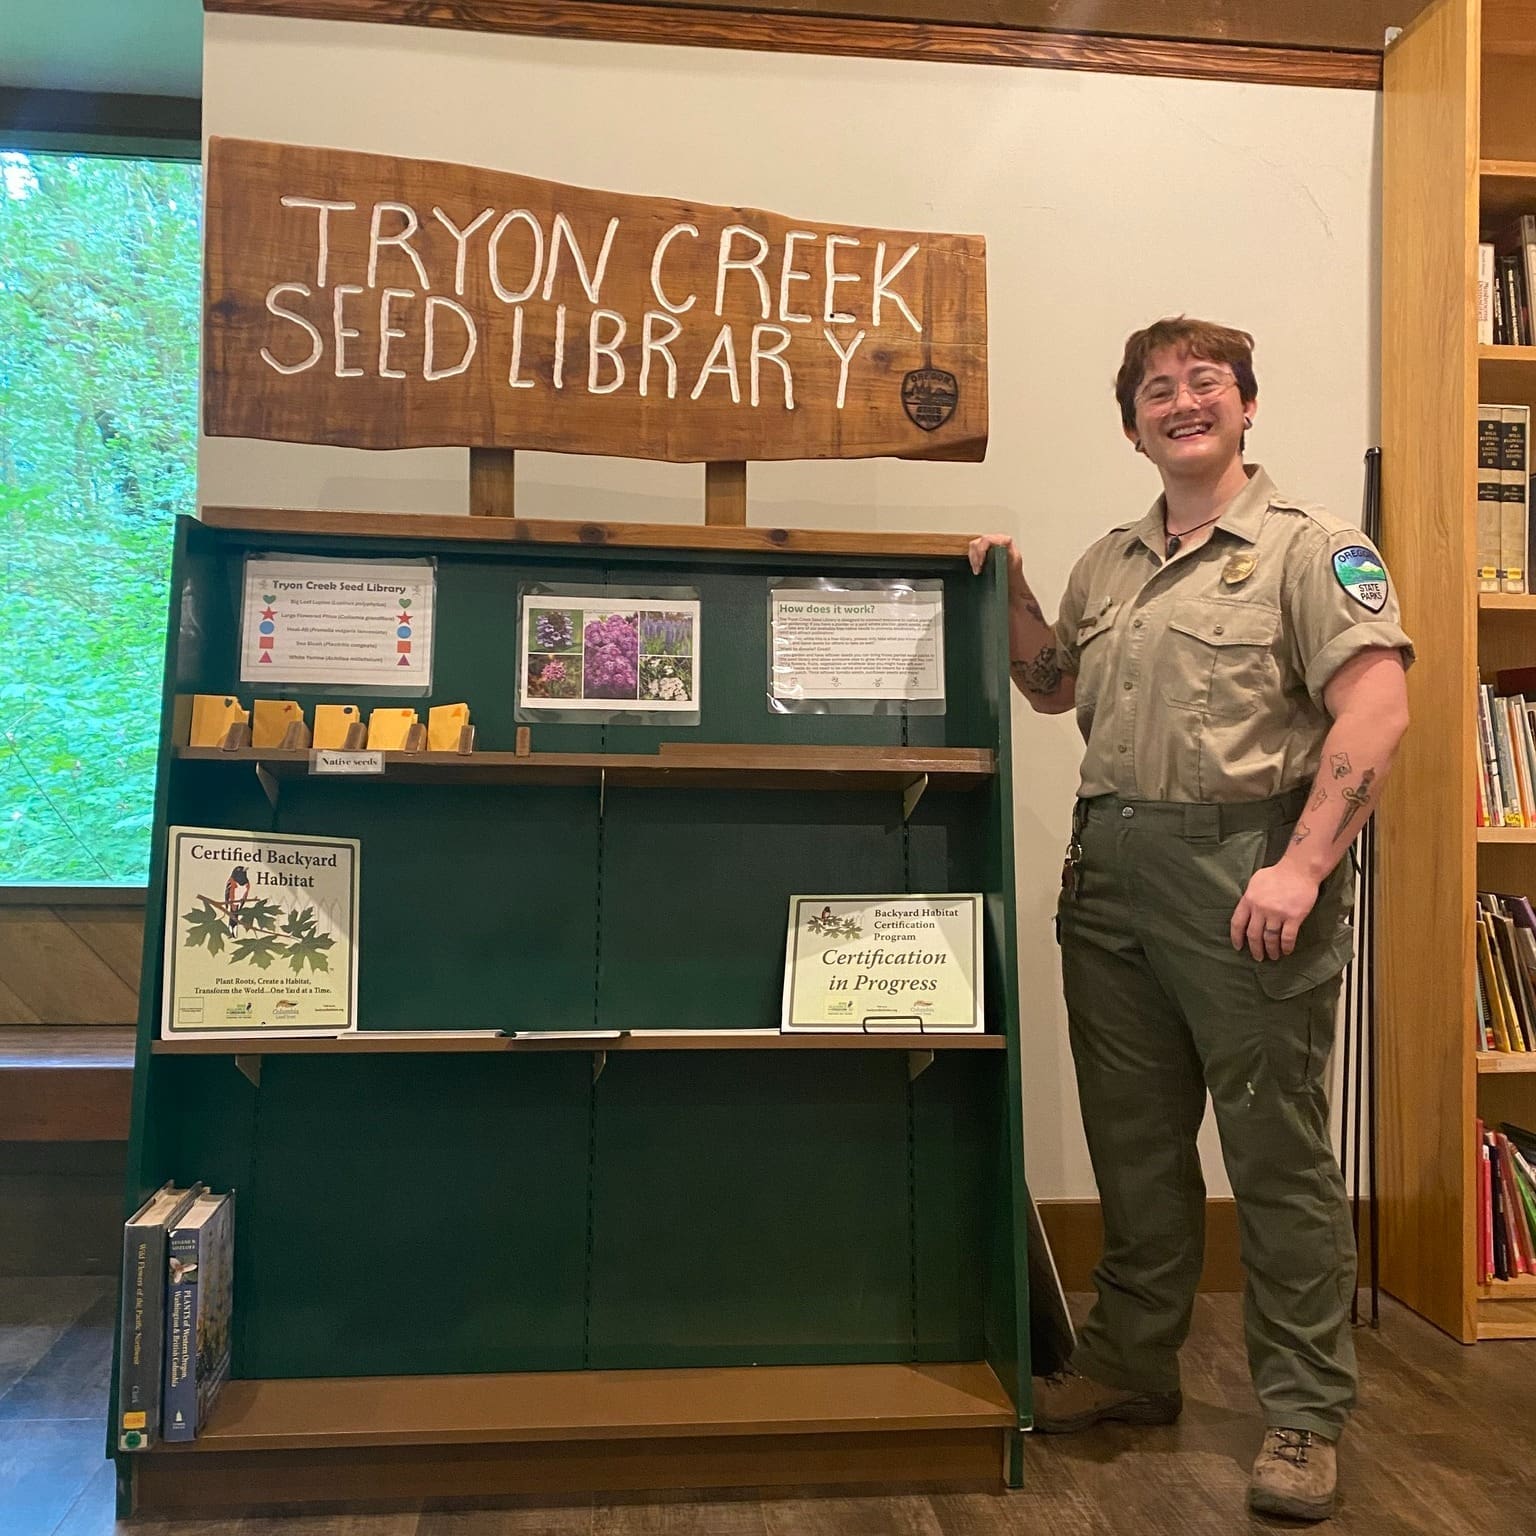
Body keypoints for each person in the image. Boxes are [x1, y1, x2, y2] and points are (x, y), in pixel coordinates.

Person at [969, 317, 1412, 1524]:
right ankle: (1129, 1362)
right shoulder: (1110, 564)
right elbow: (1054, 687)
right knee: (1134, 1141)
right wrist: (1014, 597)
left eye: (1204, 382)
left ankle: (1305, 1410)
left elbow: (1376, 708)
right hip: (1110, 875)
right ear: (1133, 426)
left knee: (1275, 1152)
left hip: (1247, 876)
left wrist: (1304, 867)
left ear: (1246, 404)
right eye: (1156, 390)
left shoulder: (1312, 549)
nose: (1182, 403)